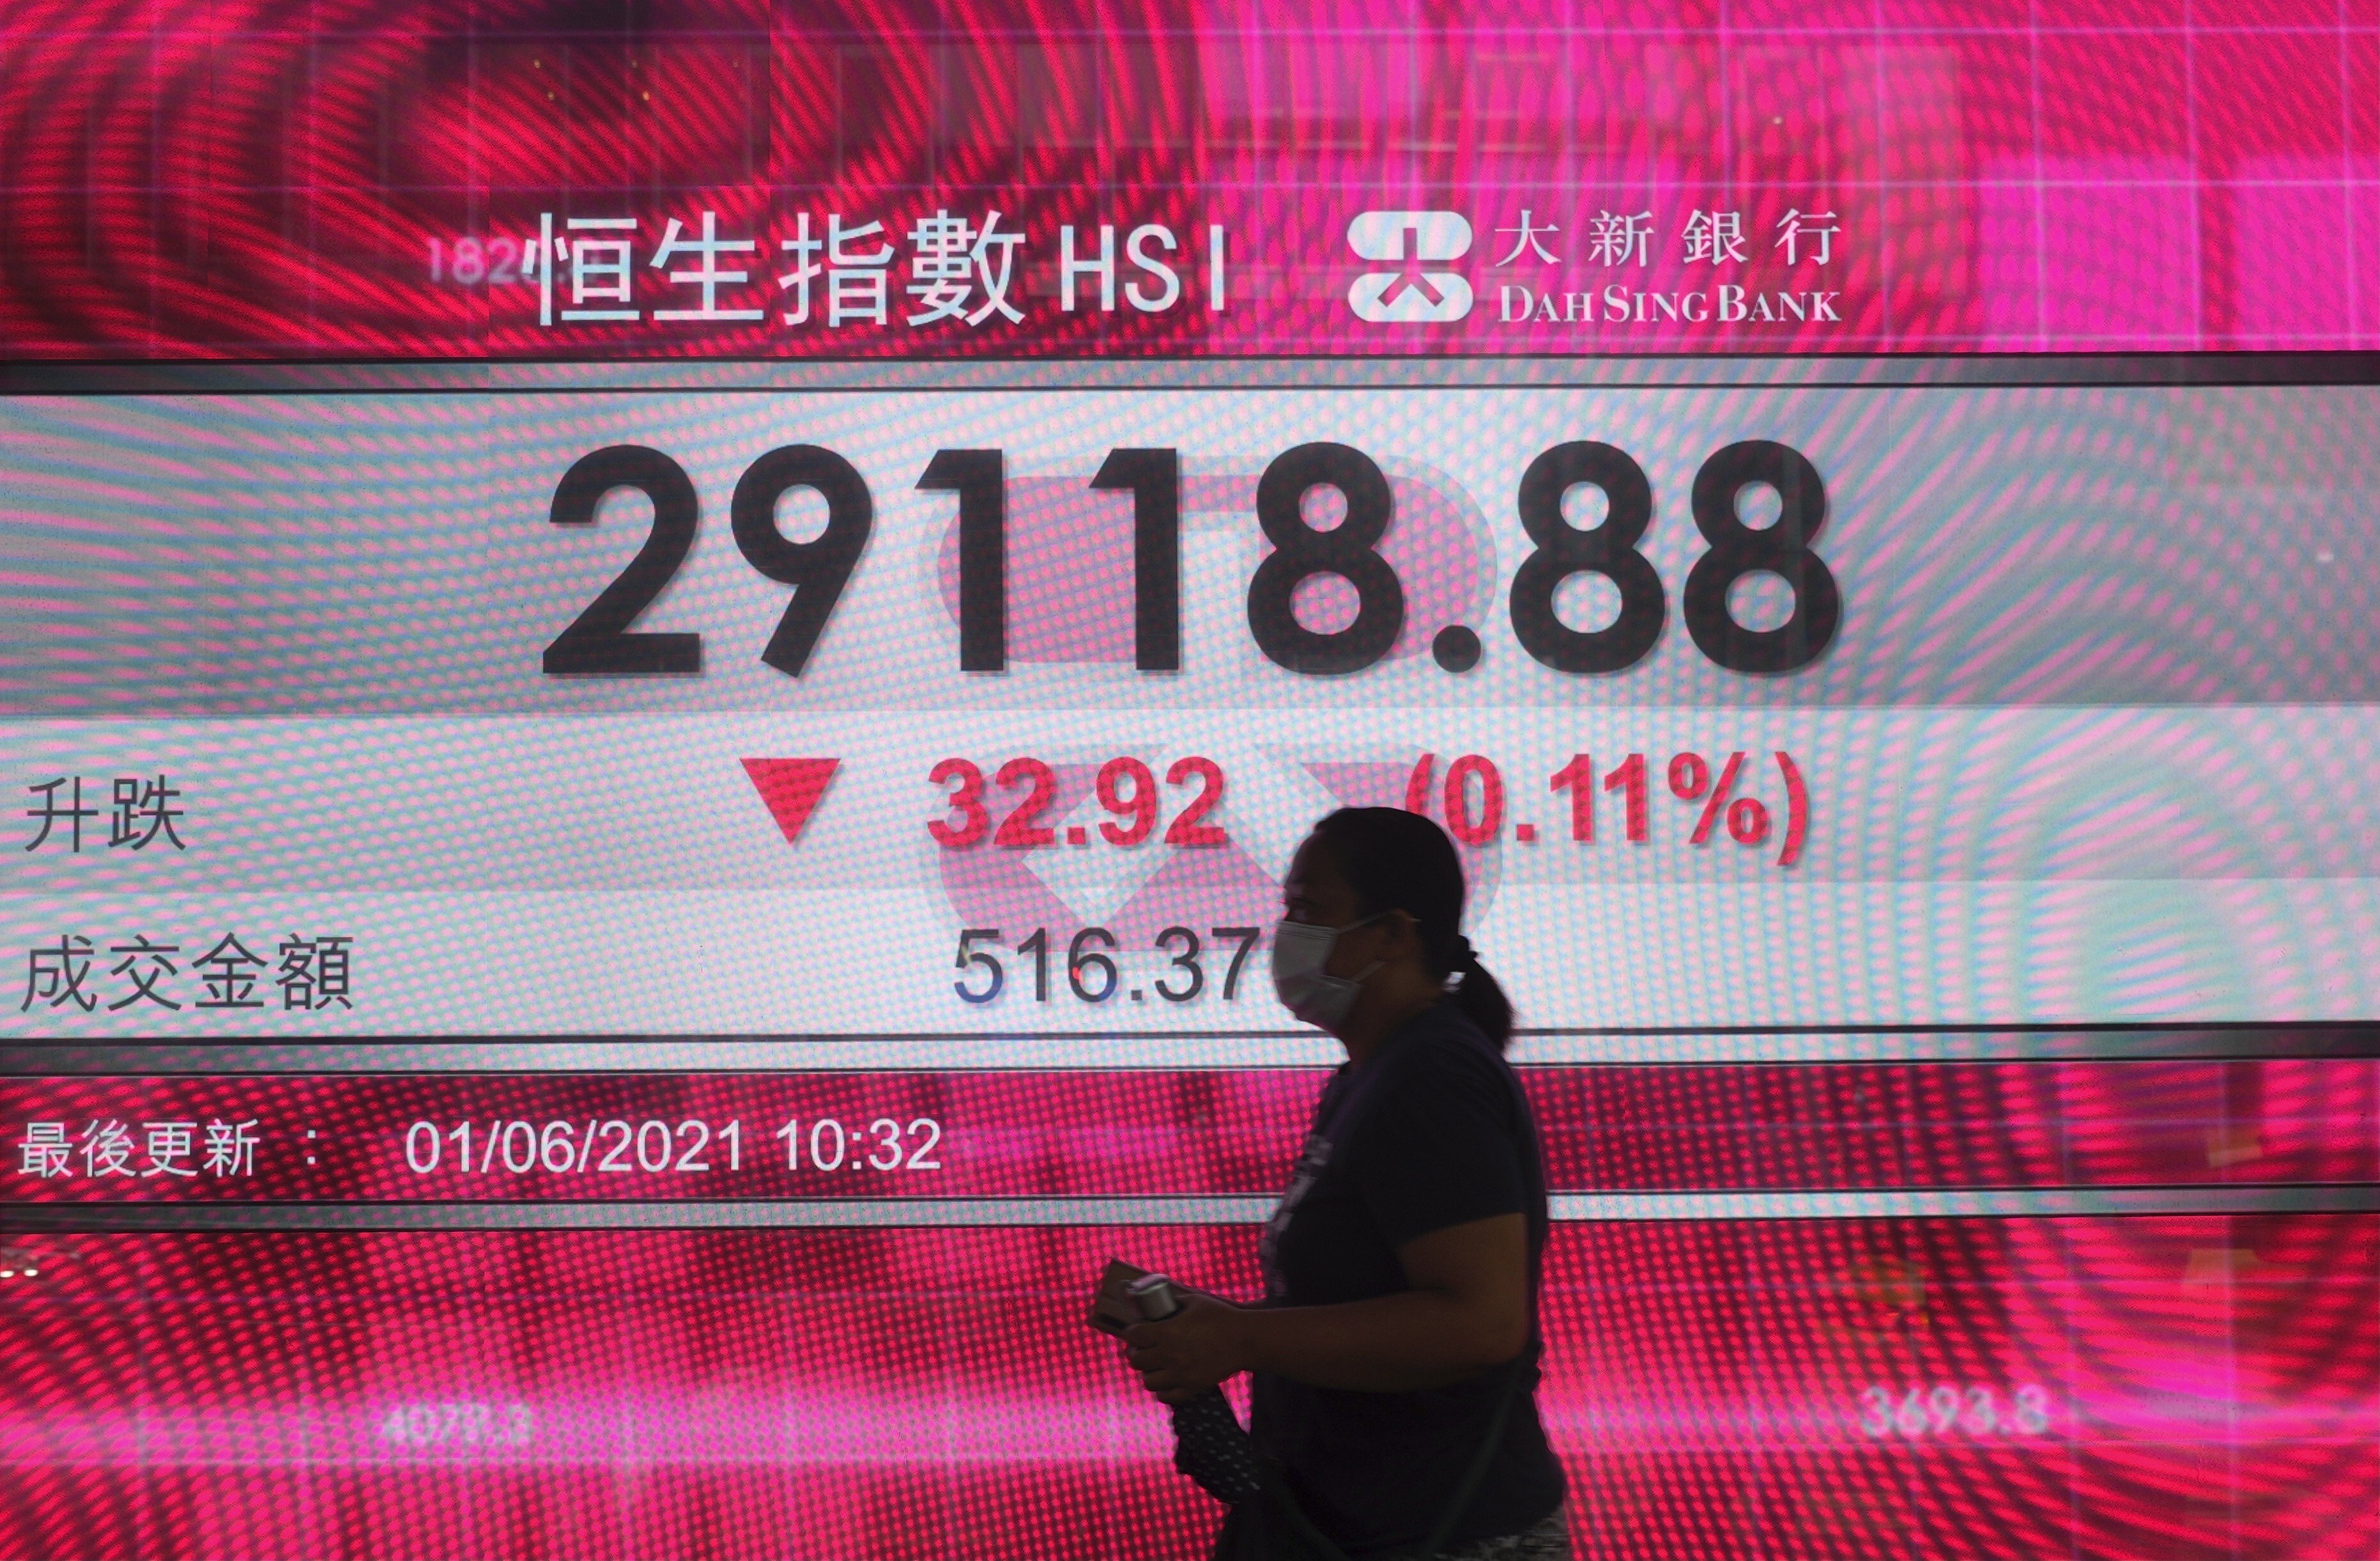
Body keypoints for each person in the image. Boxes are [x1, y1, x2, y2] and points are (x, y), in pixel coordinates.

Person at [1124, 808, 1569, 1560]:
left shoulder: (1431, 1076)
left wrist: (1240, 1336)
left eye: (1306, 909)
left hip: (1443, 1531)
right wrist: (1226, 1323)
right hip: (1359, 1524)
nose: (1284, 934)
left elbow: (1480, 1324)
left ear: (1392, 935)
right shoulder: (1372, 1074)